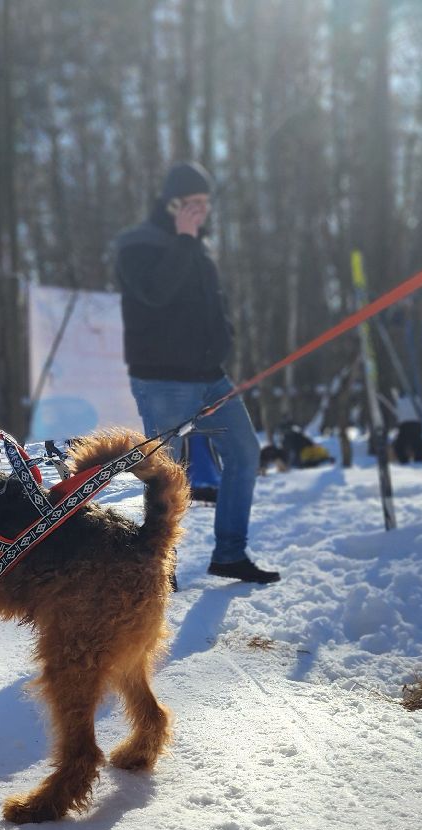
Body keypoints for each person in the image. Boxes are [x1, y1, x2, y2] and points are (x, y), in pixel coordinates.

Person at [113, 162, 279, 585]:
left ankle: (229, 553)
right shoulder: (137, 245)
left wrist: (225, 337)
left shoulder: (199, 250)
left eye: (206, 204)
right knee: (165, 473)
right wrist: (184, 241)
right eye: (194, 204)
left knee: (245, 454)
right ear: (172, 203)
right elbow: (154, 293)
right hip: (163, 379)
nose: (202, 212)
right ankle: (158, 565)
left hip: (211, 376)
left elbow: (212, 307)